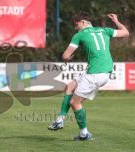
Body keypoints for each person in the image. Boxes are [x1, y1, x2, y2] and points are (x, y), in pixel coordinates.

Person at [48, 12, 129, 141]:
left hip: (95, 74)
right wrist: (116, 21)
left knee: (75, 103)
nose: (76, 27)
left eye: (76, 24)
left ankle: (84, 134)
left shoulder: (79, 35)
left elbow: (64, 56)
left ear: (84, 22)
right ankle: (60, 119)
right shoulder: (104, 30)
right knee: (70, 86)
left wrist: (68, 58)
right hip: (102, 71)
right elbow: (125, 32)